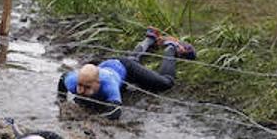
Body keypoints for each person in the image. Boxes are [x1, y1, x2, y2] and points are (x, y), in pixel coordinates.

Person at [57, 28, 196, 118]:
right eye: (79, 85)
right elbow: (63, 79)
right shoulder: (73, 81)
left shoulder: (109, 86)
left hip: (126, 68)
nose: (80, 90)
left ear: (98, 83)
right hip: (109, 66)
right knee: (133, 57)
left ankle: (171, 47)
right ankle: (150, 38)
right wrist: (61, 101)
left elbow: (114, 113)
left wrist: (92, 121)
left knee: (165, 83)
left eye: (87, 87)